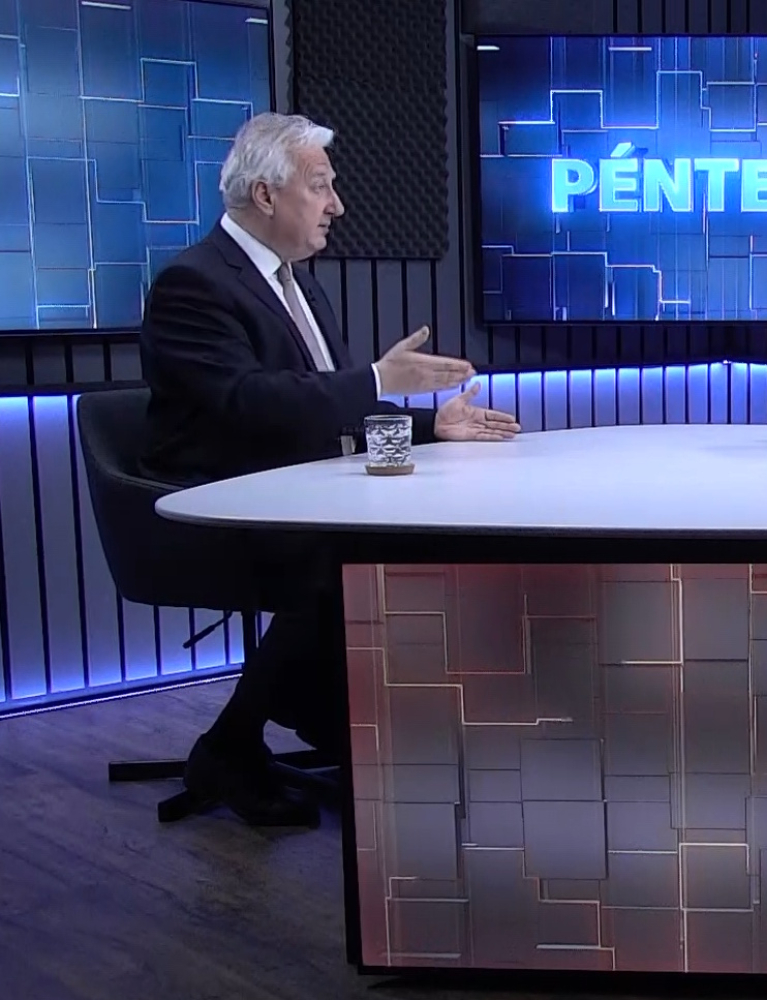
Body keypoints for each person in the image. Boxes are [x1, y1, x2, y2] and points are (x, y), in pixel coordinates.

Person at [139, 112, 522, 826]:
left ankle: (373, 731)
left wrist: (430, 427)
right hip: (215, 510)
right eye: (320, 187)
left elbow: (324, 406)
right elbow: (249, 404)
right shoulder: (193, 285)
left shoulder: (298, 284)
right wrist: (377, 378)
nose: (337, 206)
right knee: (349, 555)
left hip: (302, 494)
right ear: (265, 195)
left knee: (424, 538)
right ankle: (244, 742)